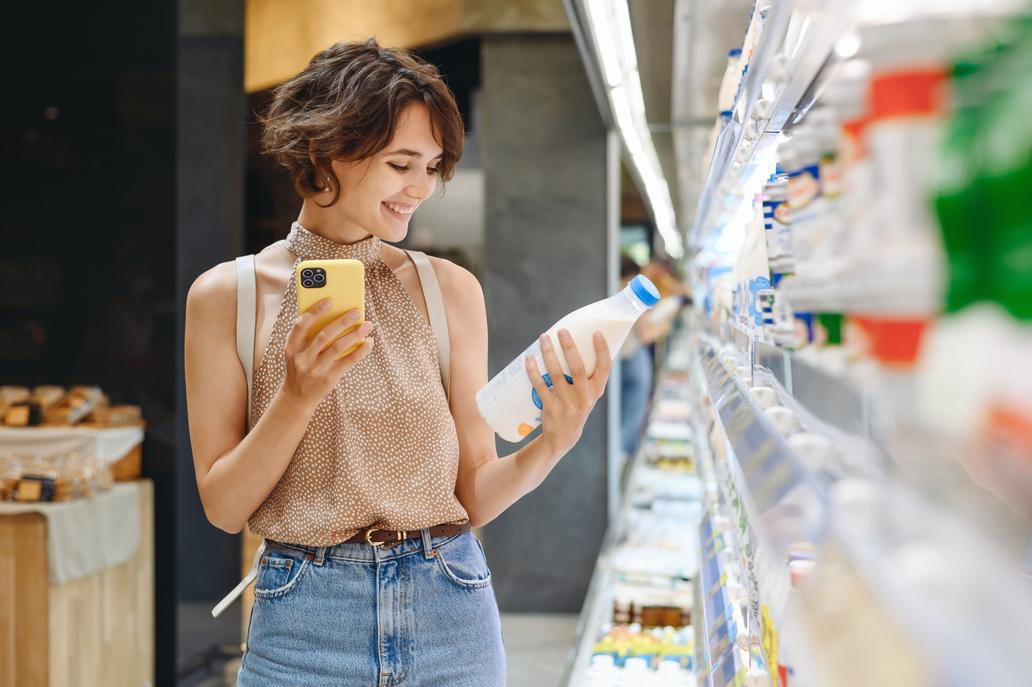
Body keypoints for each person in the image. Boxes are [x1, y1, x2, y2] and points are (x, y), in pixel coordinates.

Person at [183, 39, 613, 686]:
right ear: (327, 149)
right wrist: (297, 396)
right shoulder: (229, 297)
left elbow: (473, 492)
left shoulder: (450, 292)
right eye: (400, 163)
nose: (422, 188)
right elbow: (222, 505)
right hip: (303, 621)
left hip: (451, 607)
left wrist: (551, 443)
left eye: (432, 166)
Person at [618, 256, 674, 465]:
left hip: (622, 360)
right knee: (631, 413)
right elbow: (645, 334)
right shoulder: (630, 293)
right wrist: (665, 326)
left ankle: (620, 457)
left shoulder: (614, 291)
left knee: (625, 411)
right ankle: (622, 459)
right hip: (632, 358)